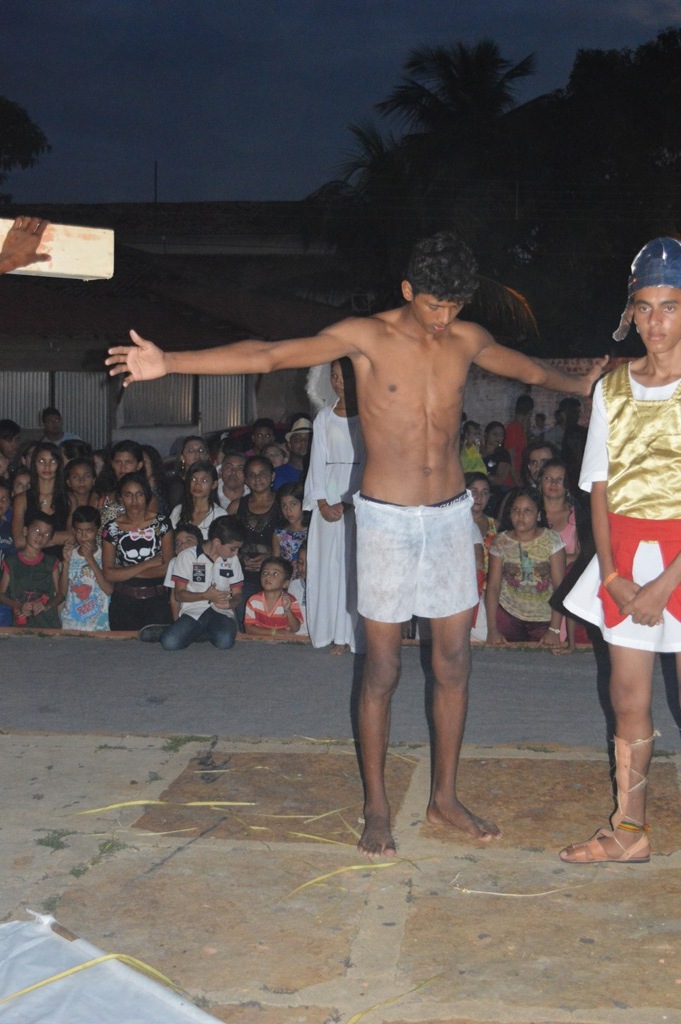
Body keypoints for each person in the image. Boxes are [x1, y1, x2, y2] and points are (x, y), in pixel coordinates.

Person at [106, 230, 605, 857]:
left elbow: (527, 368)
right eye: (431, 306)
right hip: (387, 523)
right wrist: (170, 362)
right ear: (406, 291)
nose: (441, 320)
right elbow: (269, 354)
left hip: (451, 519)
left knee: (453, 662)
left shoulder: (467, 338)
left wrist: (580, 384)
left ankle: (444, 796)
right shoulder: (366, 337)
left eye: (453, 308)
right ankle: (375, 805)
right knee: (384, 667)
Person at [560, 236, 681, 864]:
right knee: (628, 698)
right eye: (645, 307)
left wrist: (664, 586)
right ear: (629, 311)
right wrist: (610, 575)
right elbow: (598, 488)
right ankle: (629, 831)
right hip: (625, 556)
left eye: (669, 306)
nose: (655, 322)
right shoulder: (612, 388)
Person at [304, 358, 365, 655]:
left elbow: (369, 463)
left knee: (352, 567)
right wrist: (322, 502)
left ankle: (349, 635)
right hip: (327, 496)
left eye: (344, 377)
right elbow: (316, 461)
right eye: (334, 376)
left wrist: (353, 500)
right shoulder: (323, 418)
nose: (338, 382)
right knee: (327, 566)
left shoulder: (369, 417)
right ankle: (327, 630)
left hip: (357, 499)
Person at [485, 487, 566, 646]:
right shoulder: (501, 541)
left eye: (527, 511)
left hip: (544, 619)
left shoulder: (551, 540)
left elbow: (559, 587)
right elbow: (493, 587)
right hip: (508, 616)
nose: (520, 516)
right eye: (516, 510)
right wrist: (492, 629)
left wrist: (554, 629)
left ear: (538, 515)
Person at [158, 516, 245, 650]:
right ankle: (173, 631)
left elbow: (238, 594)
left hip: (221, 611)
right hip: (193, 610)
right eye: (233, 549)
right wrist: (205, 596)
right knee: (170, 643)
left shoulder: (232, 560)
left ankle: (193, 633)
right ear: (217, 543)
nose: (236, 553)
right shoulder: (187, 556)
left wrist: (230, 603)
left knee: (225, 642)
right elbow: (179, 595)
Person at [101, 471, 173, 631]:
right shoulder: (112, 528)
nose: (134, 501)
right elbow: (108, 573)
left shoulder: (161, 523)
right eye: (128, 495)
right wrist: (148, 564)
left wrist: (124, 571)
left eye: (139, 494)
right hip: (124, 600)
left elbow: (168, 568)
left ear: (147, 496)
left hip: (156, 600)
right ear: (120, 498)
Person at [0, 513, 62, 628]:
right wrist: (19, 605)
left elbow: (60, 594)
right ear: (25, 531)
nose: (40, 536)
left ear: (50, 540)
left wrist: (47, 606)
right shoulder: (12, 562)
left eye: (46, 534)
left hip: (47, 622)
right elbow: (1, 594)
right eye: (36, 530)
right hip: (21, 623)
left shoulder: (51, 562)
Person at [12, 442, 71, 558]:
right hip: (29, 564)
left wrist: (35, 539)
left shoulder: (69, 498)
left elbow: (72, 536)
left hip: (59, 563)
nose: (47, 466)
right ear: (34, 464)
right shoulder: (21, 499)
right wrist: (55, 538)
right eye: (41, 461)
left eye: (52, 461)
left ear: (59, 464)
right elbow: (19, 541)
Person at [60, 506, 112, 631]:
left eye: (89, 531)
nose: (83, 536)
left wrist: (91, 559)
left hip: (100, 624)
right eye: (79, 531)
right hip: (71, 623)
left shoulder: (106, 555)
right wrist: (66, 563)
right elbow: (62, 592)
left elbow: (109, 590)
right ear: (73, 530)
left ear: (97, 531)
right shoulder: (70, 554)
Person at [244, 556, 303, 637]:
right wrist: (275, 633)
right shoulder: (253, 601)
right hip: (260, 641)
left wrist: (288, 610)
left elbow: (296, 628)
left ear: (285, 583)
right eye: (265, 573)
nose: (268, 576)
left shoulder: (290, 601)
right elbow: (248, 628)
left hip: (282, 642)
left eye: (275, 574)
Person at [170, 460, 226, 539]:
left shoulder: (220, 515)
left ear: (214, 484)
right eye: (193, 479)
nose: (197, 484)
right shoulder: (178, 510)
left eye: (204, 481)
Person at [272, 482, 308, 576]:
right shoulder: (279, 534)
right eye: (284, 506)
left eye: (293, 504)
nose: (288, 510)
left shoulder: (313, 531)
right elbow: (276, 565)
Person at [505, 394, 534, 484]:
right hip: (511, 482)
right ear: (530, 412)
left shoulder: (520, 428)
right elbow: (511, 459)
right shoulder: (513, 429)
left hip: (517, 478)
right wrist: (519, 483)